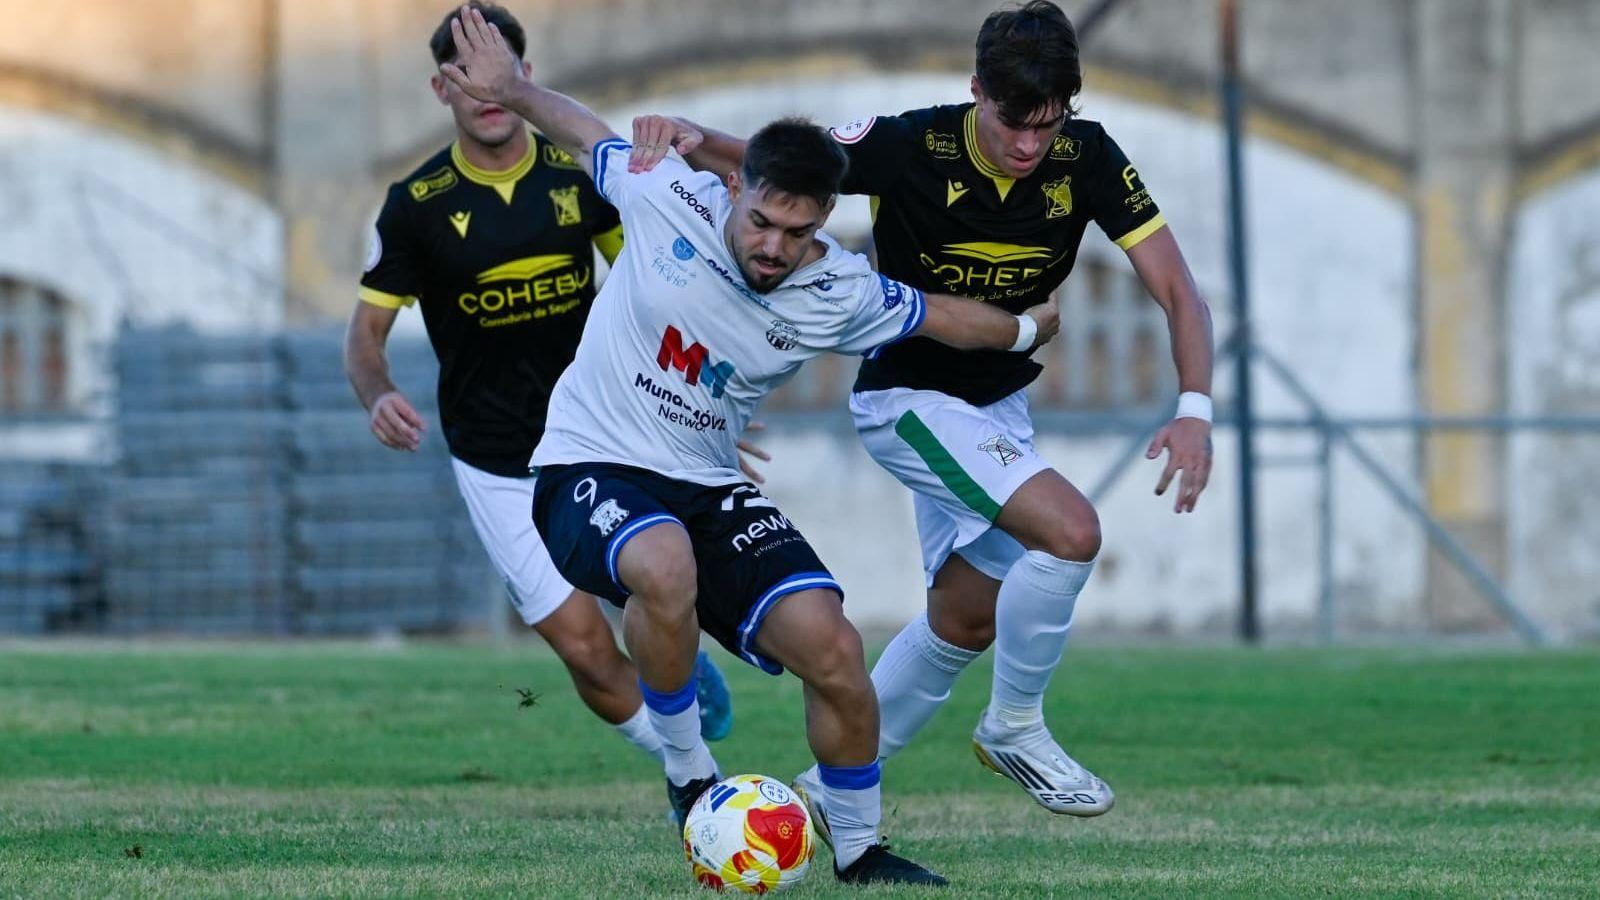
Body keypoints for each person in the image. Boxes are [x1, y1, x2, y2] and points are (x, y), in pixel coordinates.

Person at [436, 6, 1063, 885]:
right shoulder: (664, 196)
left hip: (705, 483)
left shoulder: (837, 289)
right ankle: (690, 772)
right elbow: (585, 133)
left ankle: (858, 847)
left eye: (798, 233)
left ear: (821, 225)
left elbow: (943, 316)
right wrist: (515, 90)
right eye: (763, 222)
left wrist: (1026, 332)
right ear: (735, 190)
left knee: (834, 648)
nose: (774, 249)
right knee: (660, 564)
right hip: (586, 465)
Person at [630, 0, 1215, 818]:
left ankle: (818, 802)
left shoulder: (1087, 158)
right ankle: (1014, 725)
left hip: (998, 408)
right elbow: (791, 164)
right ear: (977, 89)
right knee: (1073, 533)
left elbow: (1177, 288)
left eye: (1048, 126)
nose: (1028, 145)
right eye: (1014, 122)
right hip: (909, 399)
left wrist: (1195, 408)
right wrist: (698, 139)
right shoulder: (913, 144)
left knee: (967, 618)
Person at [343, 2, 738, 773]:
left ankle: (698, 772)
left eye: (503, 72)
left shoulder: (579, 177)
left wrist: (703, 395)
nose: (487, 91)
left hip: (601, 439)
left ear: (525, 76)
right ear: (441, 88)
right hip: (493, 460)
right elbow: (364, 334)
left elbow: (654, 287)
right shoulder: (415, 207)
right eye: (467, 75)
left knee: (663, 590)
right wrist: (378, 393)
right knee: (588, 656)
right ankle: (695, 774)